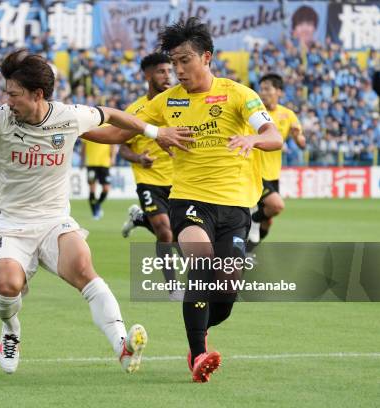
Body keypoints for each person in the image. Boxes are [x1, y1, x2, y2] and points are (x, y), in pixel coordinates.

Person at [0, 49, 194, 375]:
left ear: (37, 94)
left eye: (14, 93)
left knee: (83, 266)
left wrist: (155, 132)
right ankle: (10, 329)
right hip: (12, 224)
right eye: (6, 92)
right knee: (7, 286)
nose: (7, 99)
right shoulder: (1, 117)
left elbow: (112, 115)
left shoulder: (69, 115)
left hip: (54, 221)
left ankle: (122, 346)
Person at [83, 18, 282, 383]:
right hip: (188, 200)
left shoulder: (238, 94)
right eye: (174, 62)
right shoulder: (165, 101)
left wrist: (254, 140)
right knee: (201, 264)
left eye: (185, 60)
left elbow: (273, 133)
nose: (178, 69)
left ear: (206, 57)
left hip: (236, 206)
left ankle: (199, 338)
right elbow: (115, 131)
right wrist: (66, 124)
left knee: (226, 291)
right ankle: (199, 355)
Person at [117, 52, 180, 299]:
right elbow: (122, 147)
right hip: (149, 180)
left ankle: (141, 219)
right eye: (161, 71)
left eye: (170, 71)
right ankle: (173, 288)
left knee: (179, 235)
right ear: (147, 75)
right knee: (165, 233)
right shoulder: (135, 111)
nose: (168, 76)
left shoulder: (180, 104)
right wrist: (138, 159)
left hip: (179, 181)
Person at [248, 74, 305, 250]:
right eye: (261, 89)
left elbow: (302, 144)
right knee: (276, 205)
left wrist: (296, 136)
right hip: (254, 172)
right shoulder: (254, 113)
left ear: (278, 91)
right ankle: (247, 223)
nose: (262, 93)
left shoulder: (287, 115)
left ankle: (248, 250)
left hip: (273, 174)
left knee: (268, 222)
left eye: (267, 89)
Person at [81, 138, 114, 219]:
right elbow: (83, 147)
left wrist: (112, 158)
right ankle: (95, 212)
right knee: (92, 189)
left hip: (104, 164)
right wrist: (82, 161)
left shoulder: (107, 126)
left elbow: (112, 144)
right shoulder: (88, 129)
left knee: (106, 188)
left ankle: (97, 204)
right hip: (91, 164)